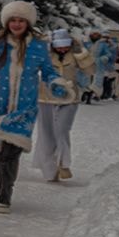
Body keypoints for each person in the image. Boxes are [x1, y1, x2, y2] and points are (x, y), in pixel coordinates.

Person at [0, 1, 69, 214]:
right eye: (13, 20)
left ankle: (4, 195)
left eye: (21, 20)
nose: (17, 24)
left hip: (24, 110)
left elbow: (48, 71)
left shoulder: (38, 46)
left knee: (11, 154)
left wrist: (56, 84)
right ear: (7, 22)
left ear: (28, 23)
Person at [35, 29, 95, 181]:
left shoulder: (74, 55)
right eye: (59, 46)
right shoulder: (46, 55)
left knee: (61, 130)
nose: (62, 49)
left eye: (65, 46)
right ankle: (50, 168)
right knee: (46, 133)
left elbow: (90, 70)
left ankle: (63, 163)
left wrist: (82, 53)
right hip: (46, 97)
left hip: (69, 97)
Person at [88, 30, 116, 103]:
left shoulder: (102, 44)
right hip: (87, 64)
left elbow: (109, 54)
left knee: (98, 80)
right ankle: (85, 94)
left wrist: (105, 58)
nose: (95, 36)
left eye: (97, 34)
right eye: (94, 34)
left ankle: (97, 94)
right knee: (87, 80)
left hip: (99, 64)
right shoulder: (87, 43)